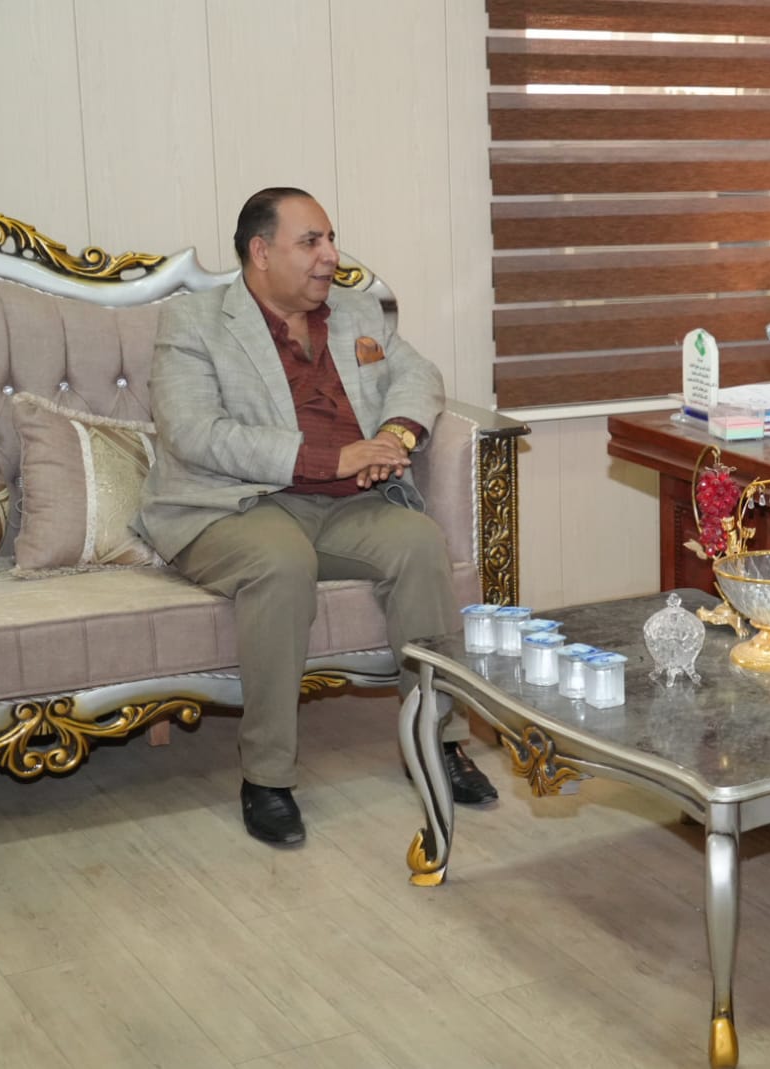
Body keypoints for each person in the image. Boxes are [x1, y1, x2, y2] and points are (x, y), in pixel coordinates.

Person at [134, 187, 497, 847]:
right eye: (311, 242)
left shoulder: (355, 312)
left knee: (420, 542)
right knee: (281, 563)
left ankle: (437, 742)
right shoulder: (194, 323)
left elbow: (418, 376)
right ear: (261, 252)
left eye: (330, 239)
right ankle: (267, 777)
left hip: (347, 504)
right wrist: (331, 457)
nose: (331, 255)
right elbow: (195, 432)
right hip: (234, 505)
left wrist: (395, 436)